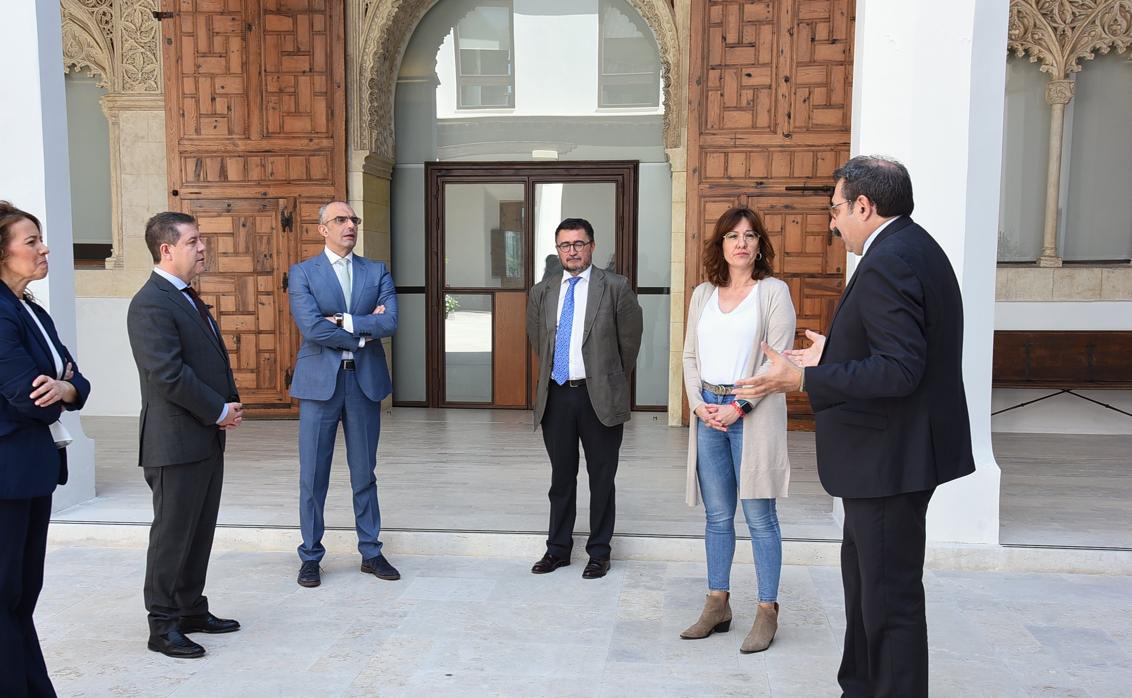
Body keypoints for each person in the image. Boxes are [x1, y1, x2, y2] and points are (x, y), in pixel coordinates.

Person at [734, 156, 975, 696]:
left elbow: (900, 369)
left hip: (890, 459)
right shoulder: (911, 246)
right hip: (887, 460)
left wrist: (801, 380)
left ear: (865, 205)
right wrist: (834, 353)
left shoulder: (891, 260)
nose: (833, 222)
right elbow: (900, 349)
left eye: (837, 209)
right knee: (867, 591)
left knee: (889, 604)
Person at [127, 211, 244, 659]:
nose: (202, 247)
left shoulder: (185, 296)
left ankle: (191, 608)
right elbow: (167, 373)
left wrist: (227, 405)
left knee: (199, 530)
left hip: (204, 437)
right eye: (194, 240)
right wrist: (217, 409)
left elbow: (206, 360)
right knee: (173, 535)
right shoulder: (151, 302)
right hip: (174, 441)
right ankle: (163, 625)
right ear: (166, 249)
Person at [679, 206, 795, 653]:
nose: (741, 243)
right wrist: (699, 405)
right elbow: (690, 356)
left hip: (752, 413)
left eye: (749, 236)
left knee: (759, 516)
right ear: (721, 246)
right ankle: (717, 603)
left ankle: (767, 611)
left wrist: (740, 406)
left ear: (759, 244)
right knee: (717, 515)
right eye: (732, 236)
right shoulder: (702, 294)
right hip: (708, 411)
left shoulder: (773, 292)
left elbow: (778, 360)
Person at [0, 202, 90, 696]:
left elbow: (80, 382)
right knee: (5, 595)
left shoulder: (32, 310)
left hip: (34, 470)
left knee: (22, 594)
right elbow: (25, 395)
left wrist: (64, 388)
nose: (44, 248)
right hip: (7, 472)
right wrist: (61, 389)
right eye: (31, 241)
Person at [289, 201, 399, 588]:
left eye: (353, 219)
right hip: (320, 386)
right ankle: (310, 556)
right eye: (341, 219)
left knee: (364, 472)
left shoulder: (376, 270)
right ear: (323, 229)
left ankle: (371, 551)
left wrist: (347, 321)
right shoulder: (303, 273)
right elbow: (313, 328)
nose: (350, 225)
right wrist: (366, 329)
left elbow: (391, 321)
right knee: (313, 476)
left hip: (363, 384)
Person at [526, 217, 642, 579]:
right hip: (558, 395)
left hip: (599, 396)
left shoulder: (616, 287)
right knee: (561, 477)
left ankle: (599, 552)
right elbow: (538, 341)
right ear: (557, 249)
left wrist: (608, 379)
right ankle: (558, 549)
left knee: (601, 477)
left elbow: (630, 343)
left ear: (592, 246)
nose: (572, 251)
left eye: (579, 244)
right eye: (565, 245)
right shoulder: (542, 290)